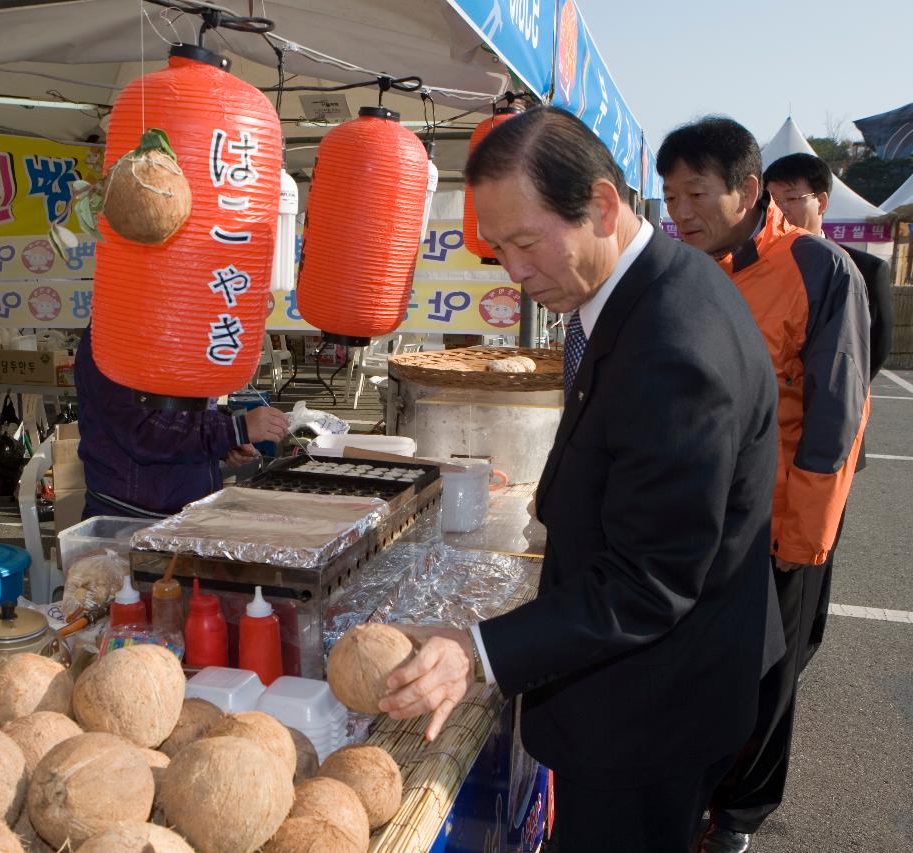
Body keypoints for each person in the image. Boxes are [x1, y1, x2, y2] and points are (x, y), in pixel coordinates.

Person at [379, 107, 780, 853]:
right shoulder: (640, 290)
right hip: (648, 678)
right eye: (498, 249)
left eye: (528, 242)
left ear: (600, 203)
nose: (517, 273)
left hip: (653, 708)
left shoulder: (674, 343)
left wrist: (476, 651)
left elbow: (649, 581)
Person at [658, 118, 870, 853]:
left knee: (769, 677)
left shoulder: (818, 268)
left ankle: (740, 815)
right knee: (703, 668)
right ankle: (695, 796)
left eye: (694, 192)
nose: (677, 210)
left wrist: (804, 538)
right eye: (668, 193)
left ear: (748, 192)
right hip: (702, 519)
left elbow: (836, 417)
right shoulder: (685, 267)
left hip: (783, 522)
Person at [764, 151, 892, 664]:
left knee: (814, 554)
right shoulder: (760, 266)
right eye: (771, 200)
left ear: (821, 200)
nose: (781, 210)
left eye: (791, 199)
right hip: (772, 454)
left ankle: (804, 645)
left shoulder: (858, 269)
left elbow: (866, 361)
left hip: (828, 442)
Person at [74, 327, 288, 519]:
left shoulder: (164, 329)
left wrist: (223, 444)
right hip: (130, 516)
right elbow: (146, 431)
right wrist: (234, 430)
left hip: (182, 506)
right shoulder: (112, 340)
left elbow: (184, 410)